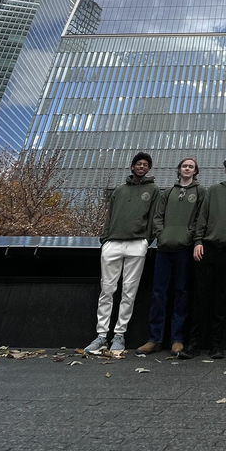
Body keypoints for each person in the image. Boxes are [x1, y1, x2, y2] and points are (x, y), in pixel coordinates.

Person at [84, 152, 161, 355]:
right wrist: (105, 238)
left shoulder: (153, 190)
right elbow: (109, 216)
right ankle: (101, 335)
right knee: (106, 290)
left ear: (149, 168)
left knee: (129, 291)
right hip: (113, 243)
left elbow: (154, 217)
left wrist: (146, 240)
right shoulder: (119, 190)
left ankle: (119, 334)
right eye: (138, 163)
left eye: (145, 164)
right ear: (132, 166)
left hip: (137, 244)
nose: (142, 166)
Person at [180, 155, 226, 360]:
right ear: (224, 170)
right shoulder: (212, 191)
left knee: (222, 299)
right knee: (200, 296)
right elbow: (201, 217)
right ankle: (193, 343)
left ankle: (216, 344)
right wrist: (198, 241)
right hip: (207, 249)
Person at [137, 157, 206, 355]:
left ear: (195, 171)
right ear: (179, 169)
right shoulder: (167, 193)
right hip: (164, 249)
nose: (187, 168)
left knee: (182, 293)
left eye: (191, 166)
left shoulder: (201, 192)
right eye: (184, 166)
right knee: (159, 293)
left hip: (185, 249)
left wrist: (189, 235)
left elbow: (201, 218)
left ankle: (177, 339)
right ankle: (155, 339)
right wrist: (162, 234)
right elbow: (158, 217)